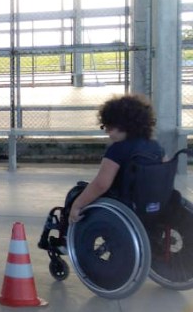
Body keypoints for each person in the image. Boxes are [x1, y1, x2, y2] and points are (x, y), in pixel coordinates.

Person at [67, 94, 163, 224]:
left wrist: (77, 205)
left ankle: (69, 238)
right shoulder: (155, 146)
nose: (107, 132)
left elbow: (101, 184)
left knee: (75, 195)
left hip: (125, 208)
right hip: (154, 206)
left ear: (125, 126)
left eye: (109, 127)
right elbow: (165, 172)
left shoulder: (117, 149)